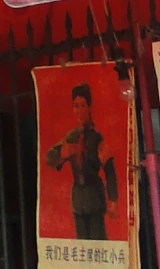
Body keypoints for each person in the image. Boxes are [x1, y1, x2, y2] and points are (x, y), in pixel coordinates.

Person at [45, 82, 117, 240]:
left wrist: (113, 200)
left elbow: (109, 170)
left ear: (89, 107)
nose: (79, 110)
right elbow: (50, 157)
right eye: (76, 106)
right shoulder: (72, 136)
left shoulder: (97, 137)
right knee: (82, 246)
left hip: (95, 197)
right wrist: (62, 155)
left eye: (83, 105)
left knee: (98, 244)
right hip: (78, 199)